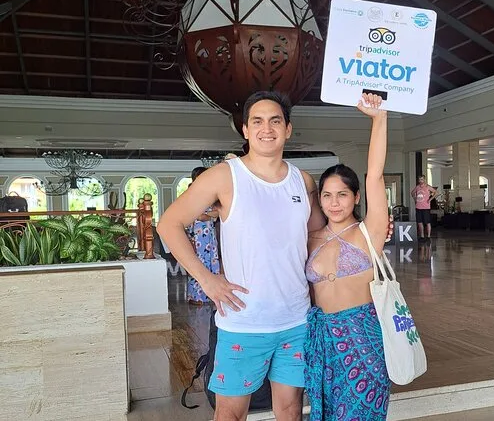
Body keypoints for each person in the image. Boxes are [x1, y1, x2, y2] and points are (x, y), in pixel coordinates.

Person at [157, 91, 391, 421]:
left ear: (288, 129)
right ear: (245, 129)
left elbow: (319, 237)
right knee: (229, 414)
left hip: (296, 323)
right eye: (258, 121)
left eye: (275, 121)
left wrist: (371, 231)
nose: (267, 129)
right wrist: (206, 279)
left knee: (291, 412)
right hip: (243, 323)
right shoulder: (224, 176)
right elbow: (168, 224)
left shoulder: (302, 182)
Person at [304, 93, 391, 420]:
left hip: (363, 339)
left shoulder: (369, 232)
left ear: (356, 197)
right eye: (327, 195)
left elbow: (375, 175)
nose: (334, 202)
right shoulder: (311, 237)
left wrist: (379, 119)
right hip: (322, 339)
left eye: (342, 194)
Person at [185, 166, 221, 304]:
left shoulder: (210, 193)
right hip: (197, 235)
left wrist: (208, 215)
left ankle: (211, 295)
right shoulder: (192, 193)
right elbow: (199, 216)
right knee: (199, 264)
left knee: (211, 262)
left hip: (209, 234)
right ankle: (196, 297)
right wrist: (209, 215)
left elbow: (218, 213)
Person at [411, 175, 436, 240]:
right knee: (419, 222)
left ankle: (428, 236)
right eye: (419, 179)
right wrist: (415, 199)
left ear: (424, 180)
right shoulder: (417, 187)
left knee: (427, 222)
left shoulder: (427, 187)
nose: (420, 181)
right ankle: (422, 236)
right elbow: (412, 193)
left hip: (426, 208)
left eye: (422, 179)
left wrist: (430, 199)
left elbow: (436, 192)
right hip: (418, 207)